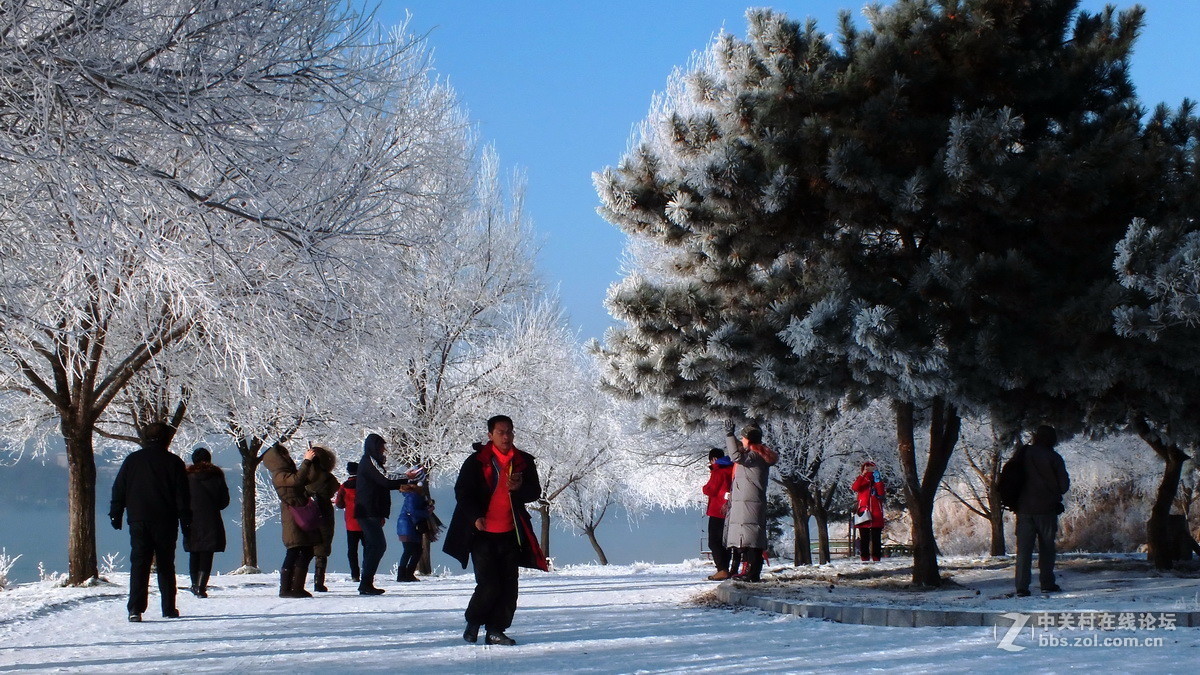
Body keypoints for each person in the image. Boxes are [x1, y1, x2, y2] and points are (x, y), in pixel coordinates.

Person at [443, 415, 547, 646]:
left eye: (509, 431)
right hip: (481, 533)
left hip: (510, 533)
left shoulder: (523, 461)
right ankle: (473, 621)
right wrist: (475, 516)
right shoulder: (477, 462)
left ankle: (495, 630)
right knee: (489, 584)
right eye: (501, 432)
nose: (506, 436)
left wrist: (520, 487)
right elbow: (463, 492)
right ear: (490, 435)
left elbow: (534, 492)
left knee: (509, 587)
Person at [108, 422, 191, 622]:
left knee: (139, 562)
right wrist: (186, 521)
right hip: (166, 519)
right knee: (166, 563)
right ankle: (168, 607)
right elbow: (182, 496)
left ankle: (135, 609)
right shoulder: (174, 462)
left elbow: (119, 488)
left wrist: (116, 512)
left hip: (139, 518)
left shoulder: (133, 460)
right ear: (167, 439)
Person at [354, 433, 421, 595]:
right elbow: (385, 479)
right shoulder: (369, 461)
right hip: (368, 510)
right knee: (378, 545)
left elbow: (384, 482)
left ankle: (366, 583)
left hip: (372, 511)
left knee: (373, 546)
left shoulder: (372, 462)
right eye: (382, 447)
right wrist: (406, 477)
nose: (384, 450)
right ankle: (366, 583)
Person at [1014, 424, 1071, 597]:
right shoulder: (1054, 458)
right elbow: (1064, 486)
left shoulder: (1022, 454)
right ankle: (1047, 583)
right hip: (1047, 509)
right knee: (1047, 548)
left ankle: (1021, 586)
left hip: (1024, 509)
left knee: (1023, 550)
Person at [260, 443, 319, 598]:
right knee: (294, 550)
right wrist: (306, 461)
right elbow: (297, 481)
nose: (288, 456)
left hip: (299, 513)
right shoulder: (280, 475)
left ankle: (296, 587)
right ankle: (286, 588)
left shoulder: (287, 472)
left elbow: (305, 479)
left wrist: (312, 463)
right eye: (284, 454)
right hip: (293, 516)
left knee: (305, 550)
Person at [723, 421, 777, 582]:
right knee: (747, 538)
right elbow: (739, 453)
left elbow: (736, 456)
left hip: (750, 503)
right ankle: (748, 571)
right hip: (747, 502)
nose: (741, 440)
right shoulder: (754, 454)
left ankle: (752, 573)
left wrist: (729, 435)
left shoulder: (755, 456)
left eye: (743, 437)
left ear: (749, 439)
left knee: (751, 539)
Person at [184, 447, 230, 598]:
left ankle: (194, 584)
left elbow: (181, 498)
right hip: (211, 519)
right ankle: (201, 587)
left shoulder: (187, 477)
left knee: (194, 551)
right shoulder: (216, 476)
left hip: (191, 519)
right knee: (207, 554)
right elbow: (224, 501)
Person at [306, 445, 340, 593]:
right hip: (324, 513)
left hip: (305, 514)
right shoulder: (328, 478)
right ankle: (319, 581)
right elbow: (335, 487)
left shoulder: (304, 476)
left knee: (304, 548)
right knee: (322, 548)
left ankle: (297, 579)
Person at [702, 447, 734, 580]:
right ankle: (726, 569)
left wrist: (704, 488)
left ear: (713, 459)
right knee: (725, 542)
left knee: (714, 542)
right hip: (729, 510)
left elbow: (711, 490)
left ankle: (722, 569)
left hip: (717, 510)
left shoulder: (718, 470)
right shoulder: (732, 468)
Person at [851, 461, 886, 562]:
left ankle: (876, 558)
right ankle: (864, 558)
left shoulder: (877, 482)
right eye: (867, 467)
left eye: (871, 467)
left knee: (876, 538)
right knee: (864, 538)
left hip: (876, 513)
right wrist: (863, 475)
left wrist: (878, 480)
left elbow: (881, 493)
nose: (869, 469)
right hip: (863, 512)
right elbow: (855, 487)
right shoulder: (862, 480)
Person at [335, 461, 364, 582]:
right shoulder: (364, 485)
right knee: (368, 548)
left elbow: (339, 503)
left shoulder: (344, 486)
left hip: (351, 523)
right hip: (365, 521)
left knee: (352, 550)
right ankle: (367, 572)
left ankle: (355, 575)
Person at [395, 485, 431, 582]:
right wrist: (426, 512)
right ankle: (404, 575)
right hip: (408, 526)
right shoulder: (412, 496)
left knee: (415, 551)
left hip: (407, 526)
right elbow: (412, 511)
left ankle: (406, 574)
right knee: (410, 550)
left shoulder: (413, 496)